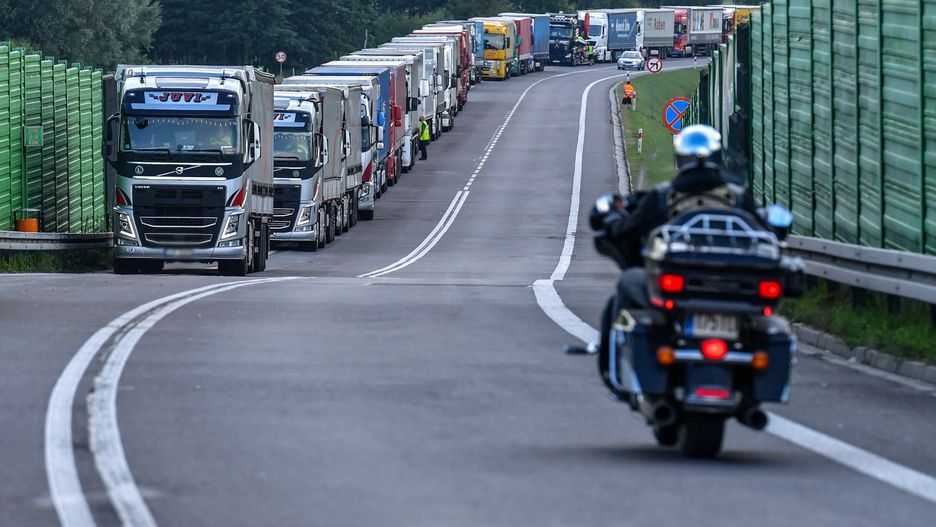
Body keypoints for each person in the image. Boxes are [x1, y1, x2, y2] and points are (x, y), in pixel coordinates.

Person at [587, 126, 758, 390]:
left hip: (681, 288)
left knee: (628, 283)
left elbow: (628, 229)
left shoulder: (664, 197)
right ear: (717, 157)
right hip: (733, 287)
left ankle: (617, 371)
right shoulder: (739, 198)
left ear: (680, 158)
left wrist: (612, 223)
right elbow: (764, 229)